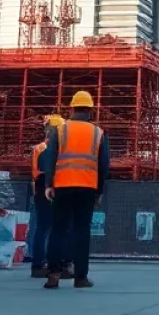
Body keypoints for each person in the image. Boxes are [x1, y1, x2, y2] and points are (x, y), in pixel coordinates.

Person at [42, 91, 109, 290]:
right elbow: (104, 165)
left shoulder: (60, 131)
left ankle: (53, 274)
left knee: (58, 230)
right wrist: (99, 190)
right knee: (82, 232)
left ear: (71, 109)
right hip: (87, 188)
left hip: (62, 186)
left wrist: (48, 184)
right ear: (90, 110)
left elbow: (50, 158)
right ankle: (80, 277)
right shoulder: (98, 133)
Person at [29, 114, 66, 279]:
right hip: (45, 188)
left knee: (44, 227)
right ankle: (39, 264)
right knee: (44, 227)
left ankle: (41, 263)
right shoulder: (46, 149)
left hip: (41, 188)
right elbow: (47, 171)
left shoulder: (42, 148)